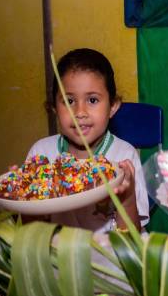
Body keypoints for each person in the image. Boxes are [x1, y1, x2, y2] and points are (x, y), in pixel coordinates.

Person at [27, 48, 149, 232]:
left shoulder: (124, 158)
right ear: (54, 108)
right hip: (57, 257)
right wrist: (18, 196)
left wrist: (128, 197)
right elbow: (31, 231)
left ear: (113, 107)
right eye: (69, 101)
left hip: (108, 259)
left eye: (92, 100)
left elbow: (132, 239)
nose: (80, 113)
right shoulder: (41, 154)